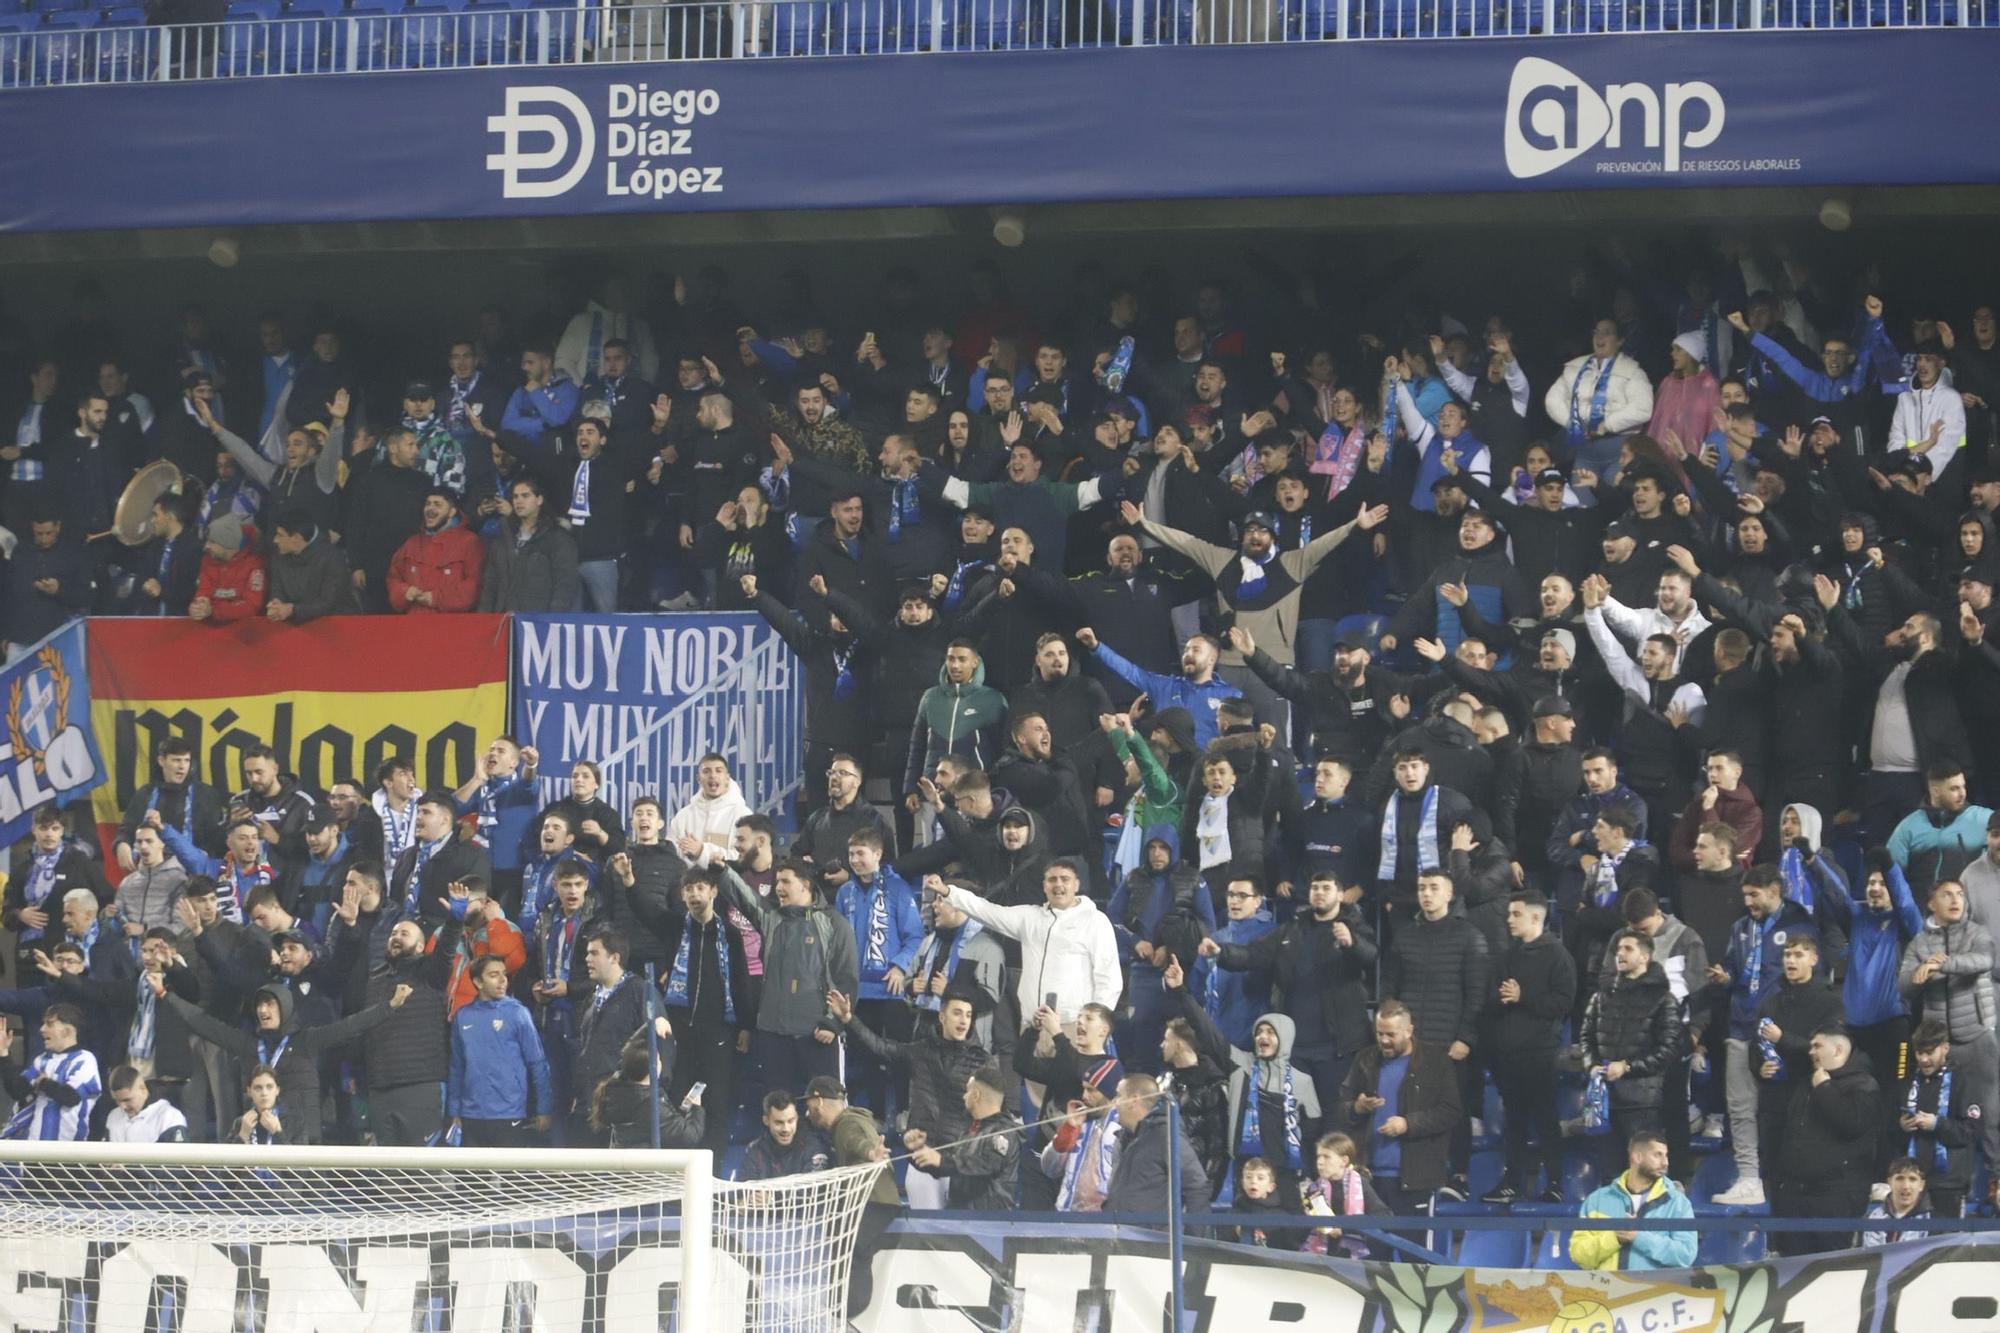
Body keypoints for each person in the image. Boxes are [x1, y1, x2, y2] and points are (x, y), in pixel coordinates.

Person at [1708, 866, 1816, 1205]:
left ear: (1775, 891)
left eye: (1754, 894)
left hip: (1779, 1030)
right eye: (1745, 895)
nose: (1748, 901)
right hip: (1741, 1026)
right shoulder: (1741, 928)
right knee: (1740, 1108)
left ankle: (1787, 1176)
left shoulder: (1797, 928)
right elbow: (1735, 968)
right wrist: (1725, 977)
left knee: (1784, 1109)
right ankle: (1749, 1179)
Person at [834, 983, 992, 1209]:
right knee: (925, 1239)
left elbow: (991, 1113)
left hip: (959, 1166)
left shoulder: (983, 1061)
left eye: (968, 1015)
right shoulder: (921, 1050)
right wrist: (850, 1019)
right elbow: (880, 1047)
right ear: (942, 1016)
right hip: (921, 1164)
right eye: (957, 1013)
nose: (963, 1020)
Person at [717, 861, 859, 1107]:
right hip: (773, 1035)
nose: (777, 888)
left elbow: (846, 977)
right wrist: (720, 870)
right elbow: (744, 897)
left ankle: (826, 1148)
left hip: (817, 1034)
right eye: (776, 881)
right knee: (778, 1107)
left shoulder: (834, 923)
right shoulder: (772, 919)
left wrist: (832, 1022)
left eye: (785, 881)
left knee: (827, 1107)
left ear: (805, 885)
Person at [937, 858, 1120, 1027]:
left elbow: (1109, 977)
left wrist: (1095, 1023)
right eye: (1052, 880)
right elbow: (987, 911)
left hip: (1074, 1026)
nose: (1058, 885)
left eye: (1065, 879)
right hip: (1032, 1026)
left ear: (1076, 885)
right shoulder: (1030, 918)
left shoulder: (1094, 921)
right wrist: (949, 892)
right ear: (1044, 886)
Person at [1482, 890, 1576, 1204]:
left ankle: (1556, 1184)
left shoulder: (1559, 956)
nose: (1509, 919)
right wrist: (1503, 999)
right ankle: (1511, 1183)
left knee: (1546, 1119)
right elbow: (1490, 998)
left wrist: (1524, 997)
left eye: (1515, 914)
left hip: (1541, 1053)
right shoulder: (1505, 958)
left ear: (1536, 917)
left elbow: (1564, 1002)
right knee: (1514, 1122)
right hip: (1508, 1055)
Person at [1899, 878, 2000, 1166]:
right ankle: (1954, 1186)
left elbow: (1983, 960)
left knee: (1990, 1114)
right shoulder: (1919, 943)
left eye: (1960, 894)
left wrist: (1940, 964)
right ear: (1932, 903)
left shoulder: (1976, 932)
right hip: (1940, 1046)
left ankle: (1996, 1181)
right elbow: (1904, 985)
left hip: (1978, 1037)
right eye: (1947, 895)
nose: (1956, 900)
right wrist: (1923, 967)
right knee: (1943, 1115)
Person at [1333, 1002, 1462, 1215]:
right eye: (1379, 1034)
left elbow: (1450, 1111)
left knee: (1413, 1249)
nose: (1384, 1041)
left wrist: (1408, 1124)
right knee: (1372, 1249)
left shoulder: (1436, 1061)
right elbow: (1340, 1109)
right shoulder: (1365, 1059)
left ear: (1409, 1031)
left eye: (1391, 1035)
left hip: (1416, 1180)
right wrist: (1357, 1107)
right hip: (1368, 1179)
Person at [1771, 1026, 1884, 1256]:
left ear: (1838, 1049)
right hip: (1795, 1197)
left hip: (1836, 1199)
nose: (1810, 1051)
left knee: (1830, 1271)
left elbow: (1853, 1123)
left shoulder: (1864, 1085)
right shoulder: (1808, 1082)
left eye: (1817, 1046)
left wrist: (1824, 1088)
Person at [1581, 929, 1683, 1173]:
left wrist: (1627, 1066)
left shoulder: (1663, 999)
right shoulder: (1601, 997)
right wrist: (1592, 1064)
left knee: (1647, 1175)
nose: (1620, 954)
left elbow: (1668, 1050)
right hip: (1604, 1102)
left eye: (1628, 949)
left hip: (1643, 1104)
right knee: (1610, 1175)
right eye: (1618, 949)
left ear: (1644, 957)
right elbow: (1586, 1037)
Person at [802, 1075, 899, 1318]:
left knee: (852, 1248)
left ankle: (847, 1310)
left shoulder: (846, 1124)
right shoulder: (852, 1119)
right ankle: (844, 1310)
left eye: (809, 1106)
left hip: (872, 1202)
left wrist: (870, 1152)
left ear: (819, 1101)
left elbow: (857, 1142)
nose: (808, 1112)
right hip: (875, 1201)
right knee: (843, 1239)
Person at [448, 954, 555, 1147]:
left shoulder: (517, 1013)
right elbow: (457, 1067)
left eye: (504, 974)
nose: (502, 980)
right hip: (471, 1114)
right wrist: (454, 1111)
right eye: (493, 975)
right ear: (478, 982)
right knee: (471, 1178)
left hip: (509, 1112)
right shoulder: (463, 1016)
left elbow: (538, 1064)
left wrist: (544, 1109)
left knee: (509, 1177)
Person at [1569, 1129, 1697, 1271]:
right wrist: (1615, 1238)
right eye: (1658, 1155)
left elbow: (1685, 1256)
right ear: (1637, 1157)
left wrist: (1638, 1237)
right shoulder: (1597, 1200)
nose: (1665, 1162)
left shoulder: (1678, 1203)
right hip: (1608, 1291)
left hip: (1656, 1291)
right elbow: (1579, 1255)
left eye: (1666, 1156)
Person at [906, 1063, 1025, 1210]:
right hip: (962, 1220)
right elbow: (947, 1166)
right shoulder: (969, 1131)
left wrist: (941, 1160)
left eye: (967, 1091)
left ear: (976, 1095)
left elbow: (982, 1164)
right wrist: (921, 1150)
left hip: (990, 1224)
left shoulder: (1003, 1134)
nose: (964, 1096)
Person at [1103, 1070, 1213, 1213]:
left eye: (1118, 1096)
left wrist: (1192, 1234)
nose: (1114, 1102)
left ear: (1134, 1100)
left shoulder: (1165, 1135)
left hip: (1150, 1234)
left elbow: (1197, 1187)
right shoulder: (1122, 1138)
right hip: (1119, 1232)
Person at [1897, 1019, 1975, 1220]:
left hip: (1948, 1184)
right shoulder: (1908, 1082)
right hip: (1911, 1184)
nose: (1923, 1059)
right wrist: (1901, 1127)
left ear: (1945, 1048)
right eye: (1919, 1053)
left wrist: (1937, 1124)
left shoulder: (1963, 1081)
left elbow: (1971, 1131)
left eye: (1929, 1052)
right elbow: (1887, 1129)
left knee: (1945, 1248)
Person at [588, 1024, 706, 1150]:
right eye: (658, 1060)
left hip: (620, 1166)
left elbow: (630, 1049)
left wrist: (651, 1026)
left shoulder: (616, 1087)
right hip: (646, 1167)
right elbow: (688, 1137)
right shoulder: (653, 1107)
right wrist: (695, 1109)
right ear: (653, 1069)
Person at [0, 1003, 100, 1140]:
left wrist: (43, 1083)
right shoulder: (42, 1060)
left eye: (49, 1024)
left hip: (68, 1154)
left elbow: (71, 1097)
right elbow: (18, 1091)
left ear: (67, 1031)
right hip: (35, 1151)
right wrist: (4, 1053)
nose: (42, 1029)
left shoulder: (84, 1059)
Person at [736, 1091, 832, 1180]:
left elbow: (813, 1190)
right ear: (766, 1120)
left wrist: (771, 1197)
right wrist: (752, 1197)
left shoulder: (814, 1146)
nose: (786, 1129)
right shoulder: (755, 1150)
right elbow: (743, 1190)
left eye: (790, 1121)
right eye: (779, 1123)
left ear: (797, 1118)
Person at [101, 1064, 190, 1143]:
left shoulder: (169, 1117)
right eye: (117, 1100)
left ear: (142, 1089)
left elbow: (177, 1160)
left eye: (127, 1100)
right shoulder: (113, 1116)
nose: (122, 1106)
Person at [1862, 1158, 1935, 1246]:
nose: (1906, 1186)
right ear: (1889, 1182)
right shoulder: (1868, 1220)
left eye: (1912, 1179)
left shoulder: (1937, 1225)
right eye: (1900, 1178)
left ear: (1921, 1185)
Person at [232, 1065, 294, 1146]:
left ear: (277, 1090)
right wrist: (243, 1135)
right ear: (249, 1091)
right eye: (258, 1088)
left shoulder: (295, 1122)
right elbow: (225, 1158)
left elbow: (301, 1158)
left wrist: (278, 1133)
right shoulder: (240, 1123)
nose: (264, 1093)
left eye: (269, 1087)